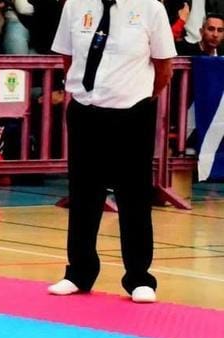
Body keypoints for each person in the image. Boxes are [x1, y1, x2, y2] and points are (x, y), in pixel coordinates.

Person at [47, 0, 176, 303]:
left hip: (132, 113)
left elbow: (164, 68)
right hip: (85, 111)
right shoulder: (75, 5)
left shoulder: (151, 8)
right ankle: (79, 272)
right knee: (83, 194)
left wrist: (137, 96)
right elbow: (68, 57)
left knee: (134, 196)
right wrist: (87, 91)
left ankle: (139, 277)